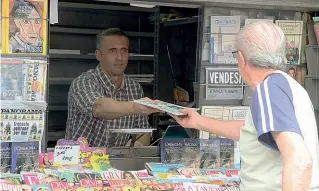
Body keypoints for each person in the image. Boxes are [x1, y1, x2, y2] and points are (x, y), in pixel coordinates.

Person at [170, 21, 319, 191]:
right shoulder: (287, 86)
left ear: (240, 58)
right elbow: (252, 131)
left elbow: (300, 159)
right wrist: (198, 122)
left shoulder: (269, 89)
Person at [66, 28, 159, 147]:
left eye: (124, 51)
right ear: (99, 55)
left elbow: (143, 129)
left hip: (117, 163)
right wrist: (136, 106)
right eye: (113, 51)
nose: (120, 57)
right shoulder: (83, 82)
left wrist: (139, 143)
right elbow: (99, 108)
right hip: (81, 162)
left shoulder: (135, 88)